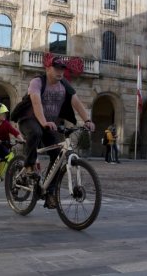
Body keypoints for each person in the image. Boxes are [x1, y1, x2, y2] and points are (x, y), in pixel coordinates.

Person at [17, 56, 95, 209]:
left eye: (62, 69)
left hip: (47, 124)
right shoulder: (37, 82)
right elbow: (36, 102)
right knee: (36, 133)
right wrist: (44, 121)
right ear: (48, 68)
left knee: (58, 154)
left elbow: (76, 101)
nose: (60, 72)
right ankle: (28, 166)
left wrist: (87, 120)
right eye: (56, 68)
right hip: (29, 119)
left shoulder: (64, 85)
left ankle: (49, 193)